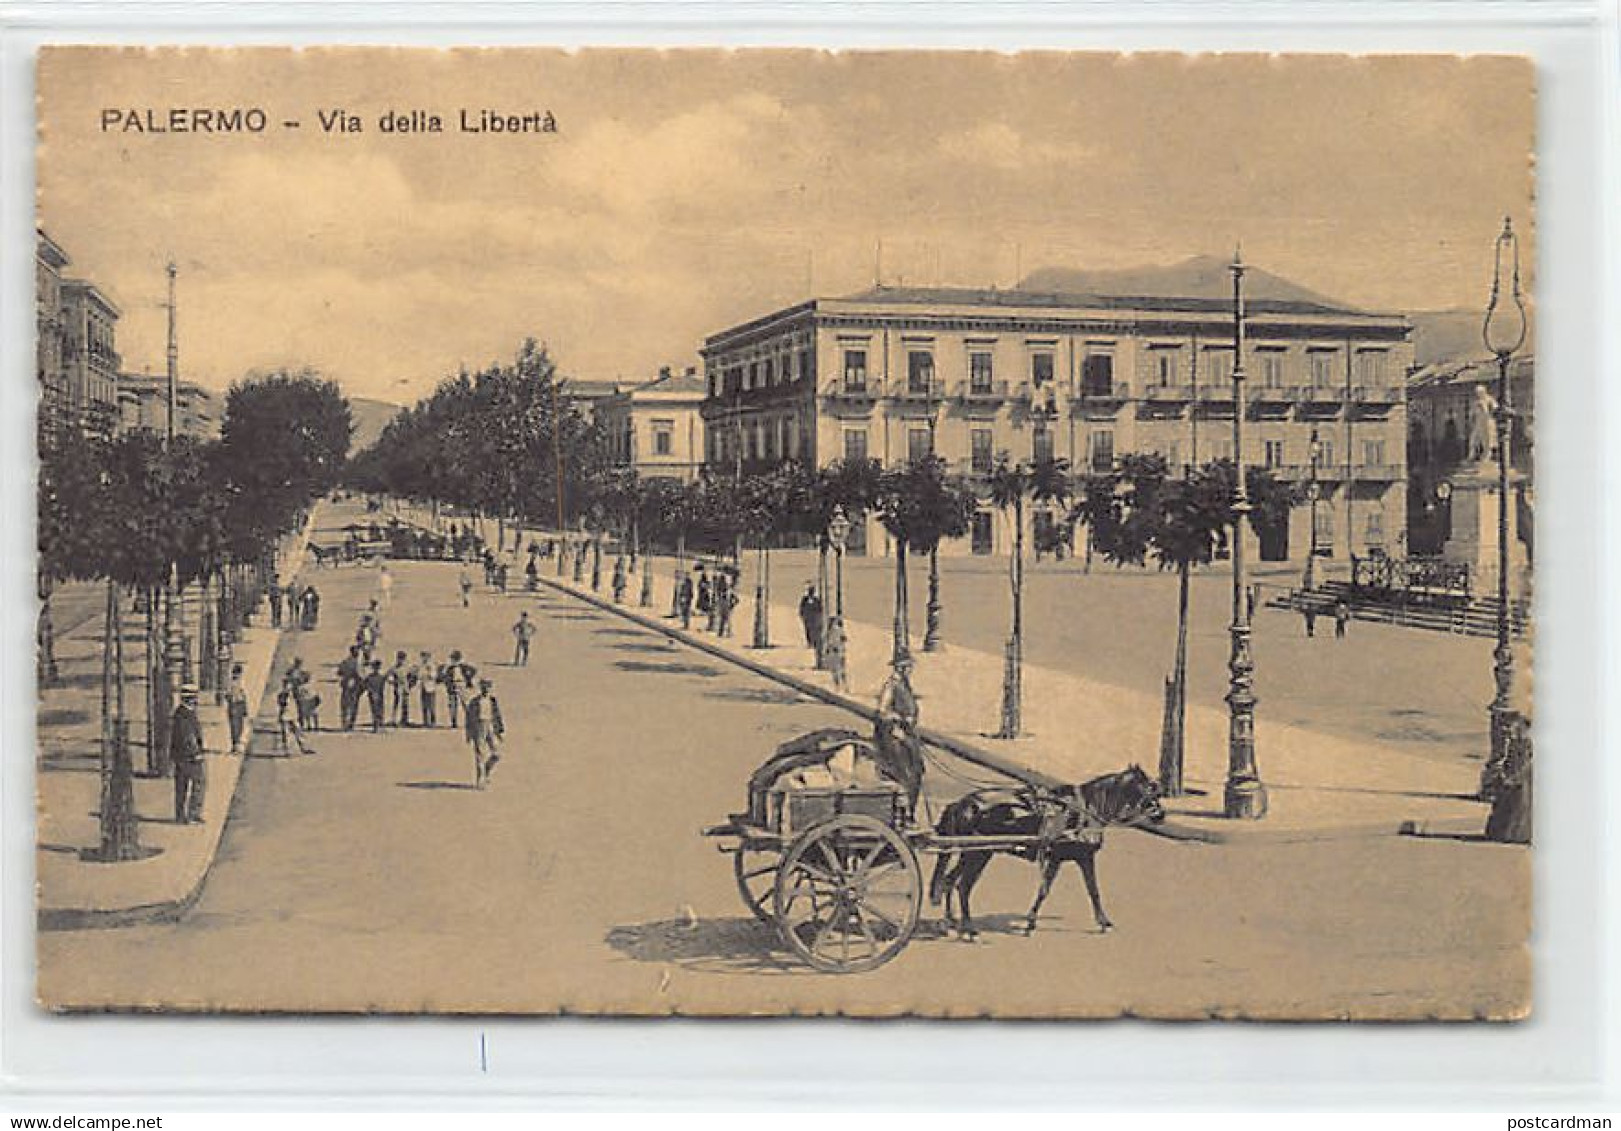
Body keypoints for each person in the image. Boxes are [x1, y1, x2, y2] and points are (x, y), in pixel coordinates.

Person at [874, 653, 924, 818]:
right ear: (901, 668)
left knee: (916, 773)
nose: (911, 670)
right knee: (904, 777)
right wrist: (898, 718)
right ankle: (902, 816)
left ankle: (909, 813)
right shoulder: (891, 685)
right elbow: (882, 712)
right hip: (895, 738)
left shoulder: (904, 685)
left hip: (907, 737)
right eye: (908, 667)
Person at [171, 684, 207, 823]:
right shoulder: (184, 715)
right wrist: (196, 753)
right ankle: (192, 814)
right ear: (191, 699)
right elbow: (188, 737)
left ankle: (182, 815)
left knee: (182, 786)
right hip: (189, 757)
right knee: (198, 783)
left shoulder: (182, 713)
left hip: (181, 756)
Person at [463, 677, 505, 788]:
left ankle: (486, 771)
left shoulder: (492, 701)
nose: (486, 689)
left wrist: (500, 731)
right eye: (484, 687)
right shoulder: (474, 701)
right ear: (480, 688)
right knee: (480, 754)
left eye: (488, 687)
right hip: (478, 727)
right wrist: (468, 733)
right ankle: (480, 779)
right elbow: (468, 718)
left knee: (497, 754)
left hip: (490, 726)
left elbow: (497, 716)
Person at [276, 685, 315, 756]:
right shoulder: (282, 695)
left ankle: (303, 748)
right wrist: (286, 697)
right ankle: (287, 751)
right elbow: (283, 703)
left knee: (298, 732)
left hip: (292, 715)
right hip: (285, 716)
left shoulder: (294, 695)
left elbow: (299, 703)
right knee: (286, 734)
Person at [225, 662, 250, 754]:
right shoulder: (231, 683)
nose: (238, 675)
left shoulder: (240, 682)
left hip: (238, 704)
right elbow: (228, 695)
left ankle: (236, 745)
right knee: (235, 726)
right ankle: (235, 745)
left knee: (239, 725)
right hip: (234, 705)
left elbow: (243, 695)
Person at [337, 645, 363, 730]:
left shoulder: (345, 661)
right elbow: (359, 675)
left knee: (345, 705)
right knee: (353, 705)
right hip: (354, 686)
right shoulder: (357, 663)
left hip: (345, 685)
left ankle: (344, 723)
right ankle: (350, 724)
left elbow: (339, 672)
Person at [442, 649, 469, 728]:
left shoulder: (463, 666)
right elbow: (443, 676)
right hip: (453, 684)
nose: (455, 660)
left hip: (461, 684)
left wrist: (467, 681)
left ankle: (470, 720)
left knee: (464, 702)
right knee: (453, 703)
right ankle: (453, 721)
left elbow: (471, 672)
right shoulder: (449, 667)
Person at [386, 650, 411, 726]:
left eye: (402, 658)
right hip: (397, 688)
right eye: (399, 658)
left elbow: (411, 677)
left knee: (405, 704)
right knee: (396, 703)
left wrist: (409, 685)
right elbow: (388, 676)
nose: (401, 660)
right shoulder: (394, 668)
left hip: (405, 688)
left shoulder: (407, 668)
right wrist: (392, 682)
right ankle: (394, 720)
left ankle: (404, 720)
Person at [416, 650, 440, 728]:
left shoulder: (431, 666)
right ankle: (425, 722)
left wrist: (428, 672)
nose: (424, 658)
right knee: (424, 705)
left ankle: (433, 722)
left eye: (425, 656)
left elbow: (433, 676)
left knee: (431, 705)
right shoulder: (421, 666)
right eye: (423, 656)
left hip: (430, 687)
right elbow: (419, 676)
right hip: (423, 687)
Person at [798, 583, 824, 654]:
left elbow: (820, 608)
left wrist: (819, 616)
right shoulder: (805, 599)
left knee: (815, 630)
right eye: (810, 591)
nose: (811, 592)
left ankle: (814, 642)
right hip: (807, 617)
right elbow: (801, 608)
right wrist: (802, 615)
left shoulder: (816, 600)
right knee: (808, 629)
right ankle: (810, 642)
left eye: (812, 591)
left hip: (814, 618)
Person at [363, 660, 387, 733]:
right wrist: (372, 692)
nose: (376, 669)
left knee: (380, 711)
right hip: (373, 696)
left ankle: (380, 726)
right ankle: (376, 727)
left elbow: (382, 687)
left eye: (377, 667)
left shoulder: (381, 677)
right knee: (375, 711)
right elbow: (366, 686)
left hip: (380, 696)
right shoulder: (369, 677)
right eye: (375, 667)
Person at [717, 570, 737, 638]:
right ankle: (726, 633)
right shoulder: (728, 591)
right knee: (726, 620)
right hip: (726, 605)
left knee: (724, 620)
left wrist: (732, 605)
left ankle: (722, 633)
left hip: (724, 605)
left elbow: (736, 599)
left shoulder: (726, 591)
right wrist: (732, 605)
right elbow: (736, 599)